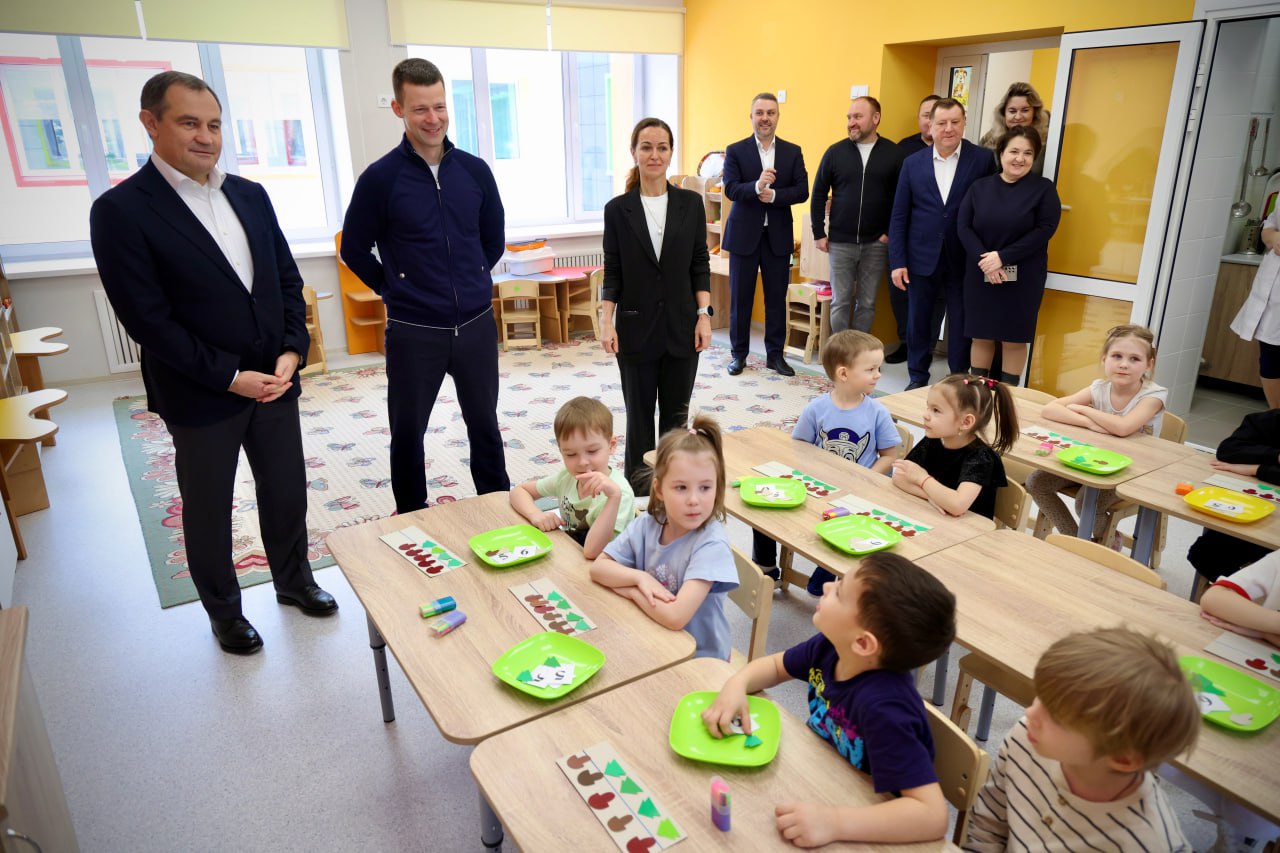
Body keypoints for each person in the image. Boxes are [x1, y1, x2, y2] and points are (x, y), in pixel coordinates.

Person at [89, 71, 336, 655]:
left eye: (215, 124)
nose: (206, 136)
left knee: (286, 490)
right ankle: (225, 612)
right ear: (151, 124)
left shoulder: (250, 195)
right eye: (189, 123)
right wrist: (229, 376)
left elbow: (285, 280)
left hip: (274, 381)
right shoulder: (121, 210)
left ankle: (294, 580)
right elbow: (148, 320)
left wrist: (292, 350)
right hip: (200, 392)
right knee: (208, 507)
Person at [340, 58, 508, 515]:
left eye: (439, 106)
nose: (433, 119)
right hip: (414, 331)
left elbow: (492, 239)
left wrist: (472, 277)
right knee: (408, 433)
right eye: (420, 109)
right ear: (399, 109)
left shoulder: (474, 171)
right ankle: (411, 515)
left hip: (475, 326)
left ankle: (497, 508)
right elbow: (354, 249)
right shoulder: (380, 179)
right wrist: (393, 288)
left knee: (485, 427)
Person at [702, 554, 956, 847]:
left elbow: (931, 816)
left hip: (865, 826)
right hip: (819, 781)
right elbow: (775, 666)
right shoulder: (830, 648)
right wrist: (737, 684)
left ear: (862, 643)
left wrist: (835, 822)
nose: (826, 587)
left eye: (839, 592)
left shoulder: (886, 710)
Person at [964, 627, 1199, 852]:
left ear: (1122, 759)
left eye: (1056, 716)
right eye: (1040, 696)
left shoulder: (1148, 843)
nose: (1031, 713)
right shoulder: (1025, 738)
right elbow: (987, 827)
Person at [599, 118, 712, 494]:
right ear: (633, 152)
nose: (654, 154)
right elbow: (613, 270)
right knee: (639, 421)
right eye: (646, 147)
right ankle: (638, 498)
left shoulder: (691, 204)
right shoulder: (618, 210)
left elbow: (699, 263)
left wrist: (703, 316)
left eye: (662, 147)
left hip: (682, 327)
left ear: (671, 153)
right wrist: (607, 321)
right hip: (635, 329)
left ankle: (673, 493)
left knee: (676, 423)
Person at [752, 331, 901, 595]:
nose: (878, 375)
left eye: (878, 368)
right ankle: (766, 568)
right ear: (843, 374)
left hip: (857, 495)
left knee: (849, 528)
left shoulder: (877, 412)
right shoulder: (816, 408)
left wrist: (866, 479)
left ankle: (828, 572)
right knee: (766, 505)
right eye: (871, 369)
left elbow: (890, 455)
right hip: (819, 486)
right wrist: (814, 476)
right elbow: (799, 445)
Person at [590, 415, 738, 659]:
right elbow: (599, 568)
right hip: (652, 638)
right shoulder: (648, 524)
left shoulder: (711, 544)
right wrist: (640, 578)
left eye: (705, 487)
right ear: (659, 489)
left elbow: (675, 617)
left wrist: (631, 591)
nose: (694, 500)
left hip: (700, 659)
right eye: (681, 487)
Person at [889, 98, 998, 390]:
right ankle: (917, 377)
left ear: (964, 123)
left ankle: (958, 378)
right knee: (919, 320)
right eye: (941, 123)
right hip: (921, 257)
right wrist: (898, 261)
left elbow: (990, 210)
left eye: (955, 122)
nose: (948, 128)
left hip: (965, 257)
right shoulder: (912, 163)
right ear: (930, 125)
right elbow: (899, 215)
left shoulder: (982, 160)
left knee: (961, 321)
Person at [1026, 324, 1166, 540]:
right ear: (1104, 359)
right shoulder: (1099, 388)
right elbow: (1050, 409)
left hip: (1133, 471)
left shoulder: (1153, 396)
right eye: (1117, 356)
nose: (1124, 364)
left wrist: (1084, 409)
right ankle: (1075, 539)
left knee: (1085, 502)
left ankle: (1106, 540)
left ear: (1149, 364)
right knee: (1036, 482)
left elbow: (1123, 428)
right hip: (1092, 461)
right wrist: (1088, 423)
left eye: (1134, 359)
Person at [957, 126, 1061, 385]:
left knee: (1013, 339)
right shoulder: (979, 187)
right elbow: (963, 227)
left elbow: (1045, 229)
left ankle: (1008, 395)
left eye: (1028, 153)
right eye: (1014, 151)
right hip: (981, 272)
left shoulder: (1043, 189)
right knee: (981, 335)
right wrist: (987, 262)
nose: (1020, 158)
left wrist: (1002, 257)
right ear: (1001, 153)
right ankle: (978, 393)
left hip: (1023, 276)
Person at [722, 93, 809, 377]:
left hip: (778, 237)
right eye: (760, 113)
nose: (765, 118)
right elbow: (731, 189)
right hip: (743, 236)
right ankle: (738, 356)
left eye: (770, 113)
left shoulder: (792, 151)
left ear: (777, 117)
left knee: (775, 299)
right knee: (740, 299)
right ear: (751, 117)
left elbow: (802, 190)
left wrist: (774, 196)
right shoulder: (735, 150)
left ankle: (775, 356)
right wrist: (757, 186)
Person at [810, 96, 903, 335]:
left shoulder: (894, 154)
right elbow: (818, 192)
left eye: (858, 117)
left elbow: (902, 199)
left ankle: (859, 352)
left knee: (867, 303)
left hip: (876, 243)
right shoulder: (835, 152)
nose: (851, 122)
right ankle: (840, 351)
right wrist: (818, 232)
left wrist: (888, 233)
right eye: (849, 117)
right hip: (840, 242)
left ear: (876, 118)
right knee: (840, 302)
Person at [509, 396, 635, 560]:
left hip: (604, 564)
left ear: (611, 446)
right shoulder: (567, 477)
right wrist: (535, 514)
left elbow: (592, 552)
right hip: (571, 553)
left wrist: (614, 497)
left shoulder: (620, 494)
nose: (582, 462)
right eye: (571, 454)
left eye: (592, 451)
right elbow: (519, 491)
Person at [892, 373, 1017, 520]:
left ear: (966, 422)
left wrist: (922, 479)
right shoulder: (934, 439)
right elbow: (899, 476)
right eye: (928, 407)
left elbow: (957, 505)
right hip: (935, 518)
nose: (925, 415)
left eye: (936, 410)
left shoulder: (981, 457)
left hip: (968, 529)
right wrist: (931, 497)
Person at [1187, 408, 1279, 585]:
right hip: (1257, 516)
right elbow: (1227, 450)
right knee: (1204, 554)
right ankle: (1233, 592)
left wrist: (1257, 469)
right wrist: (1275, 456)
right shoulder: (1269, 420)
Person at [890, 94, 943, 365]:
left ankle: (928, 347)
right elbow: (892, 196)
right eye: (926, 115)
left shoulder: (965, 155)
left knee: (935, 302)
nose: (931, 121)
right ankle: (906, 343)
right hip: (907, 238)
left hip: (940, 243)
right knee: (901, 294)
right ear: (921, 119)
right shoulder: (904, 150)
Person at [1230, 207, 1280, 408]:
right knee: (1270, 360)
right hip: (1273, 291)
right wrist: (1274, 237)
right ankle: (1275, 415)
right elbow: (1269, 228)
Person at [978, 82, 1051, 176]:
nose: (1018, 117)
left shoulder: (1048, 141)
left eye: (1025, 110)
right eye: (1012, 111)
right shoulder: (989, 139)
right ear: (1003, 113)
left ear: (1035, 112)